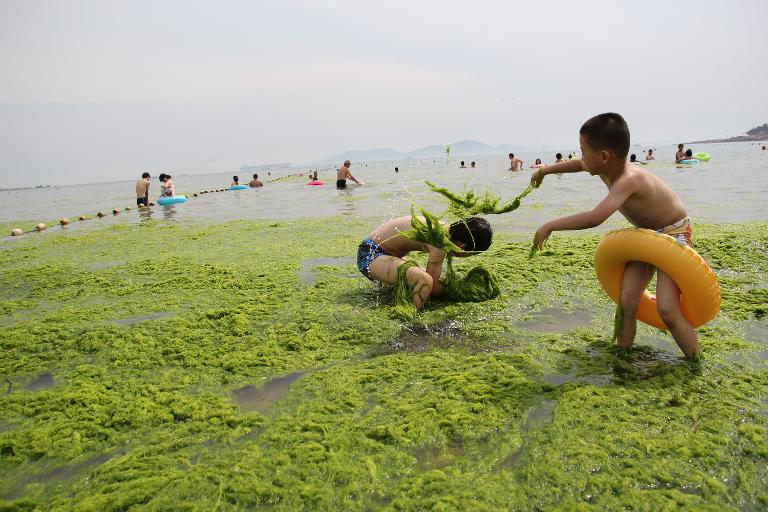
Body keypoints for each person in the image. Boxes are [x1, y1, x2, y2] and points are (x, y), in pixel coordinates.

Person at [530, 112, 699, 358]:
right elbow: (578, 164)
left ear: (604, 156)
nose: (581, 156)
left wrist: (550, 225)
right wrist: (545, 171)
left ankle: (695, 363)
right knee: (628, 301)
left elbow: (594, 218)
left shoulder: (628, 180)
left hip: (675, 233)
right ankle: (624, 358)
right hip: (646, 236)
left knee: (667, 310)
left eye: (583, 149)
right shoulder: (603, 165)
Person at [357, 216, 493, 310]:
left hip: (385, 257)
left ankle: (394, 300)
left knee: (421, 274)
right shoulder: (440, 241)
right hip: (370, 255)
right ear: (462, 246)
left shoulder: (444, 229)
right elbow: (432, 286)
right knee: (424, 280)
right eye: (471, 254)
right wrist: (457, 292)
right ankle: (412, 317)